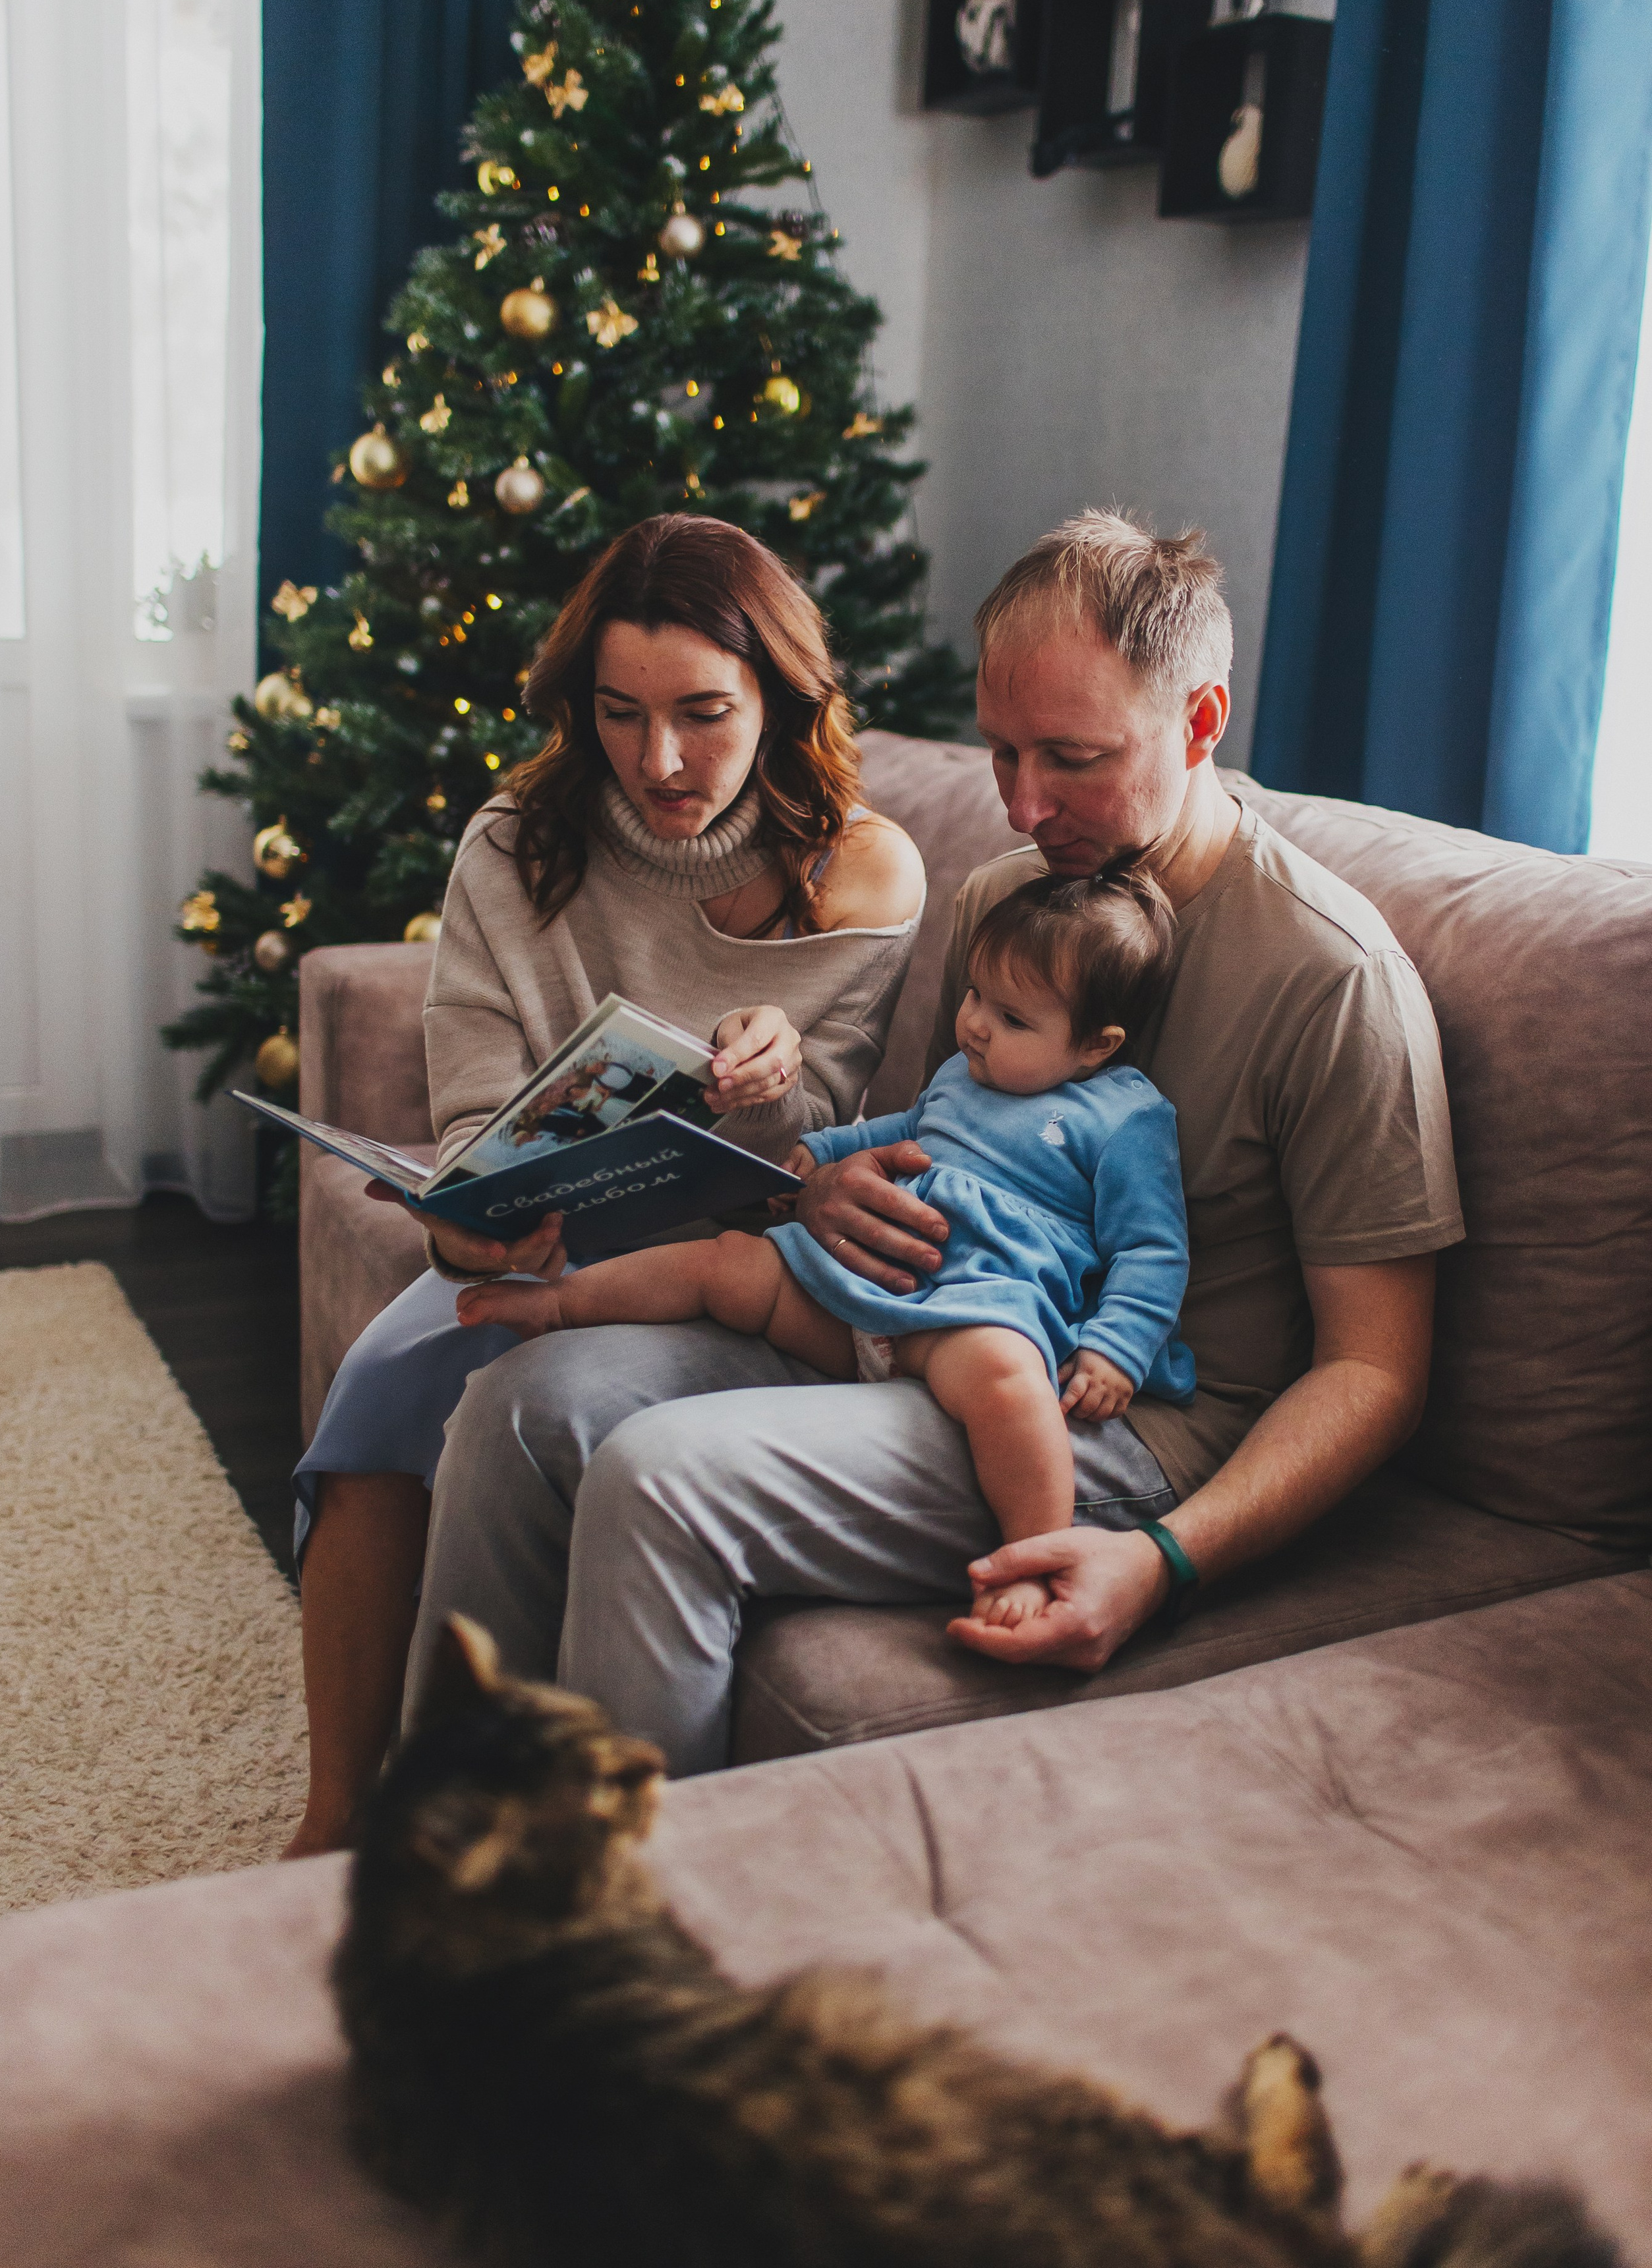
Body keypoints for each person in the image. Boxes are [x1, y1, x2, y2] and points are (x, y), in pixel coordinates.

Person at [405, 509, 1464, 1778]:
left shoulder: (1328, 979)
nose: (1022, 806)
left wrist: (1162, 1557)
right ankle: (448, 1840)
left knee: (659, 1475)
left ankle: (624, 1928)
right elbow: (938, 1147)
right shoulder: (1009, 894)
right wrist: (827, 1188)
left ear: (1199, 721)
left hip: (1110, 1424)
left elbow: (1377, 1375)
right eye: (1001, 752)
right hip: (912, 1326)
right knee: (518, 1409)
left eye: (1069, 759)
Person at [286, 513, 926, 1855]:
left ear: (781, 698)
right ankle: (335, 1822)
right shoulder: (515, 846)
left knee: (507, 1415)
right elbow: (470, 1115)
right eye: (621, 716)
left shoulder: (863, 870)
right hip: (546, 1248)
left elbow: (830, 1135)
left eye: (703, 714)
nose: (661, 761)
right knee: (375, 1407)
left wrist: (781, 1074)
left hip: (734, 1267)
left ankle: (486, 1831)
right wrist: (479, 1234)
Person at [455, 870, 1193, 1632]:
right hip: (847, 1291)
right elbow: (902, 1128)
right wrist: (822, 1150)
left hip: (971, 1310)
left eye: (1011, 1017)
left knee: (1012, 1388)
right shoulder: (959, 1075)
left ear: (1096, 1045)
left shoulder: (1124, 1117)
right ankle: (562, 1303)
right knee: (723, 1265)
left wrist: (1115, 1350)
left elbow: (1152, 1250)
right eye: (975, 995)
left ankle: (1036, 1555)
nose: (973, 1024)